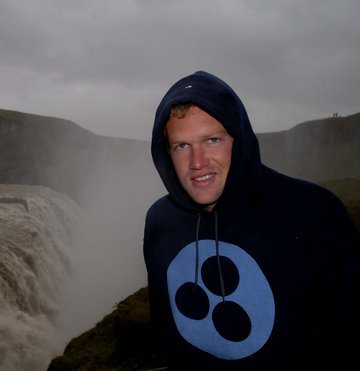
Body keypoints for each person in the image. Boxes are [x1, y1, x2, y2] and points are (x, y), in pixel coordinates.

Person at [143, 70, 360, 370]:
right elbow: (167, 333)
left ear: (238, 140)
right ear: (167, 152)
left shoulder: (314, 213)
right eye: (182, 146)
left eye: (212, 139)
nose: (197, 162)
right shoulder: (160, 221)